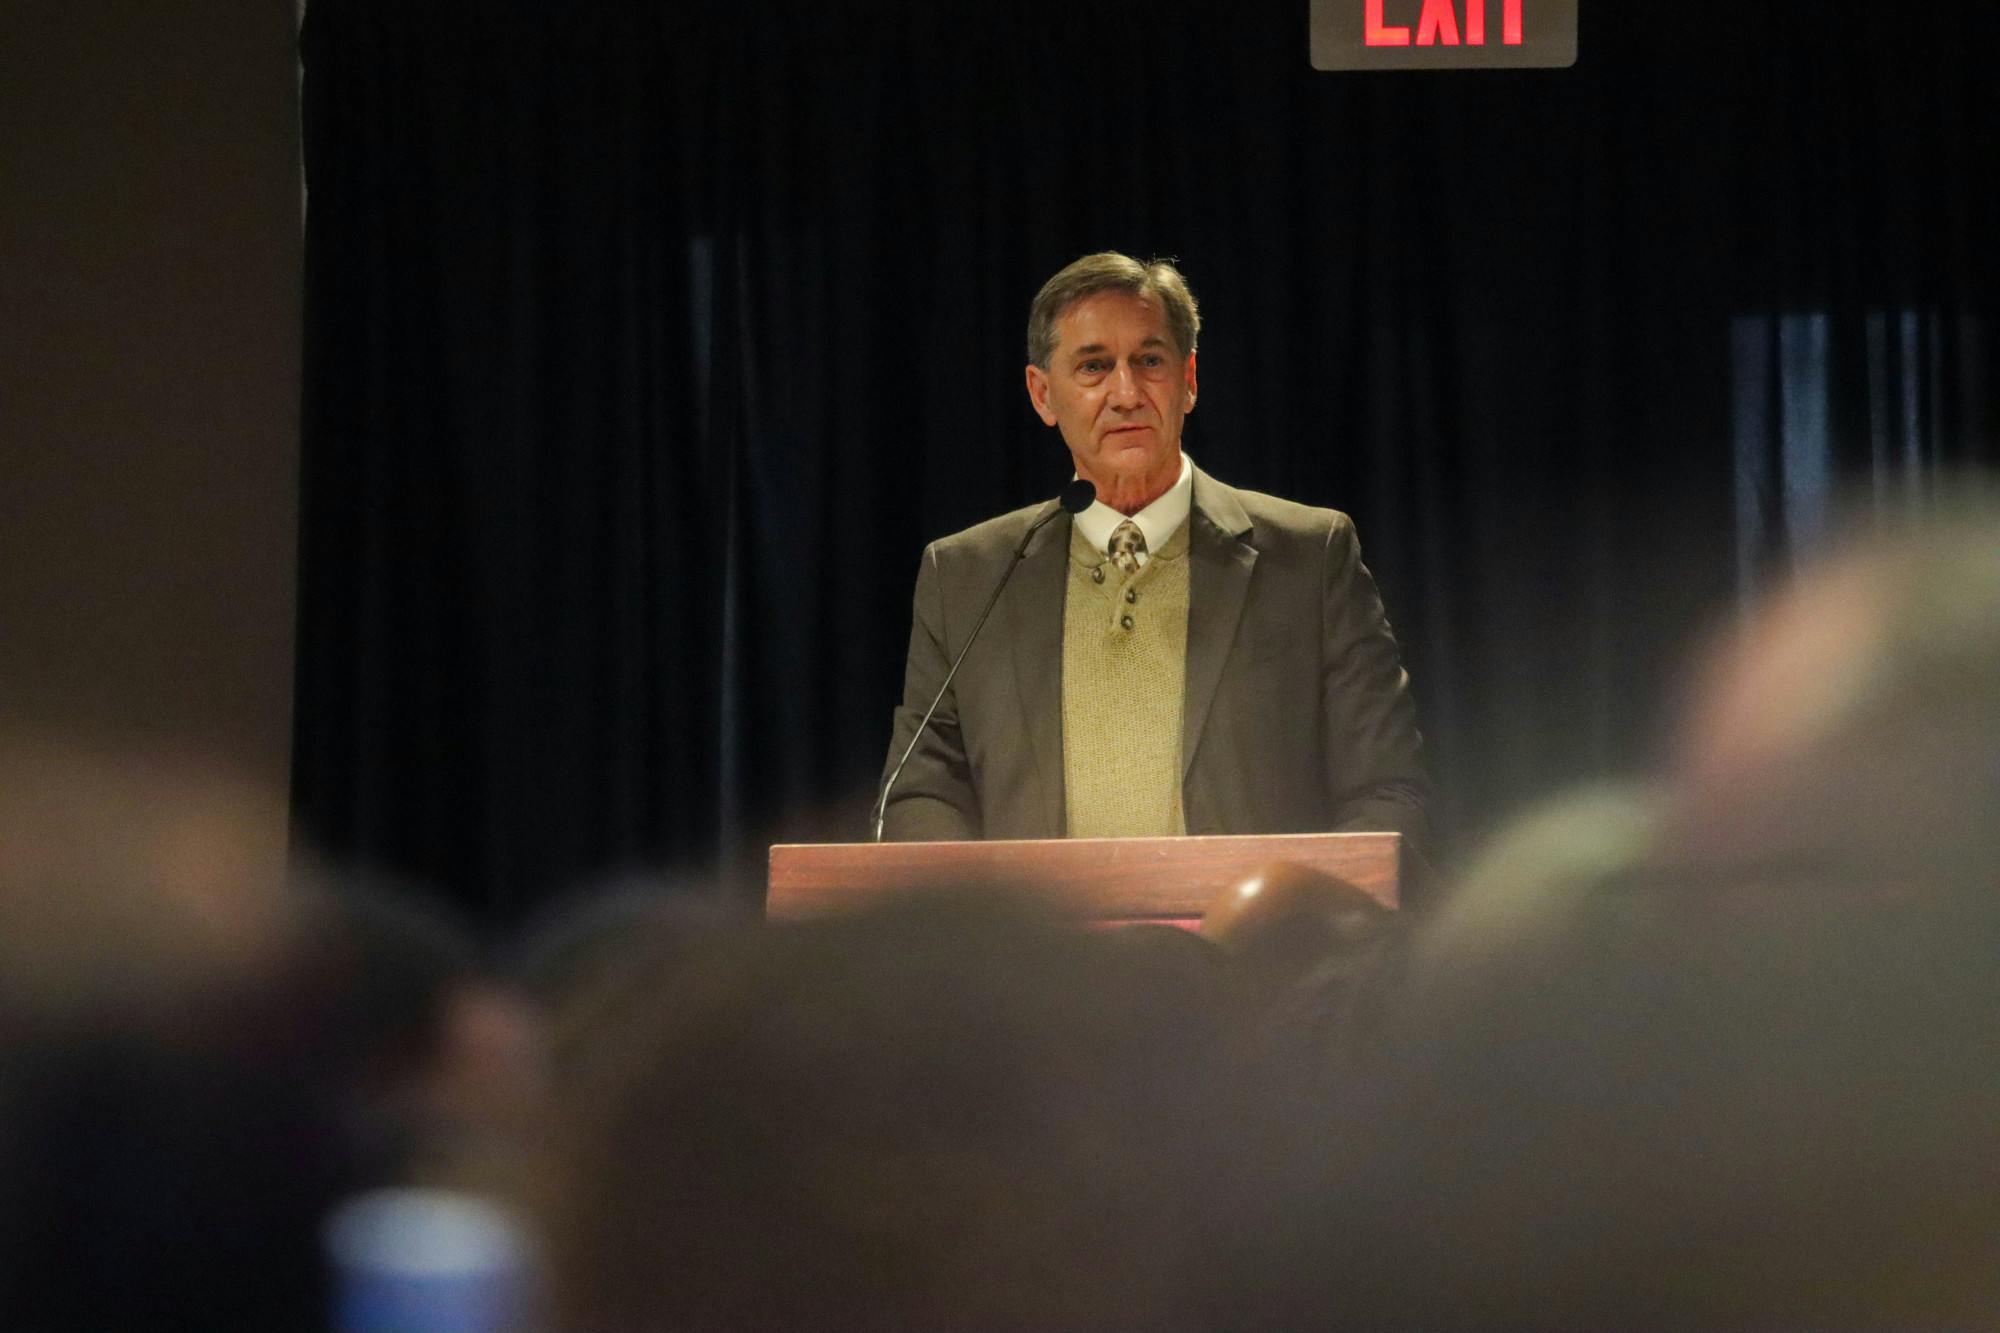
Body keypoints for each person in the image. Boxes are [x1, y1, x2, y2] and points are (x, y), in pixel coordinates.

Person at [880, 252, 1428, 844]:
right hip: (1037, 940)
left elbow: (1386, 793)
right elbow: (920, 794)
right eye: (1093, 366)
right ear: (1042, 395)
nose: (1126, 392)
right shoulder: (966, 576)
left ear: (1188, 379)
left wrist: (1293, 919)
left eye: (1149, 361)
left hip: (1257, 937)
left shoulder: (1311, 557)